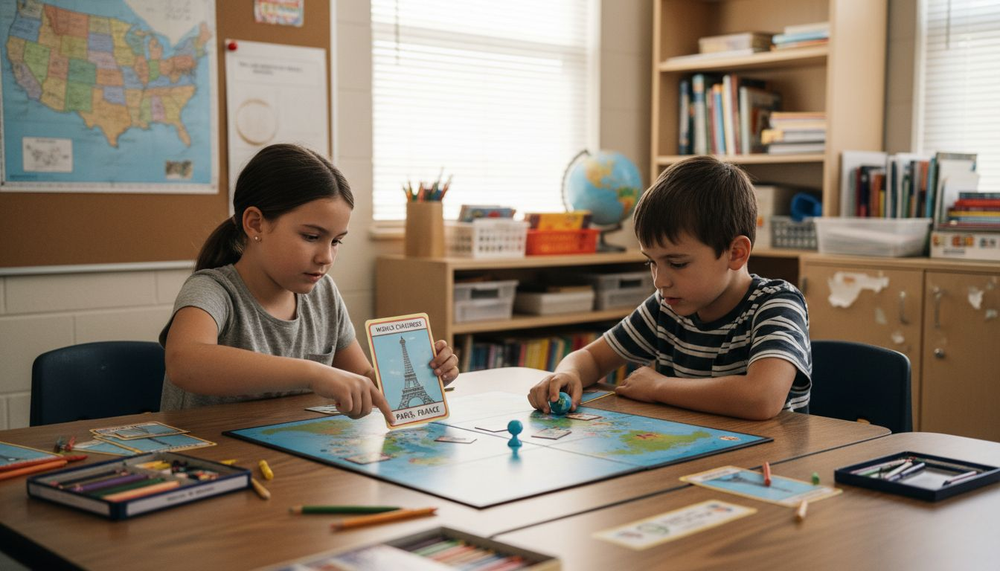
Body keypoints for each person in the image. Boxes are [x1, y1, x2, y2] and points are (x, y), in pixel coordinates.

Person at [160, 144, 459, 419]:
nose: (326, 257)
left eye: (337, 241)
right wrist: (313, 373)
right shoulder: (212, 290)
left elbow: (364, 378)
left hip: (288, 460)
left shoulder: (324, 293)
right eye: (311, 237)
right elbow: (184, 362)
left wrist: (424, 373)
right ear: (255, 223)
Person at [528, 156, 811, 420]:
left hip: (765, 464)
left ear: (735, 253)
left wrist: (659, 387)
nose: (659, 280)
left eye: (676, 263)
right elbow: (591, 357)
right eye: (651, 262)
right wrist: (568, 374)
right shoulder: (666, 307)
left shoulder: (777, 304)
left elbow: (761, 398)